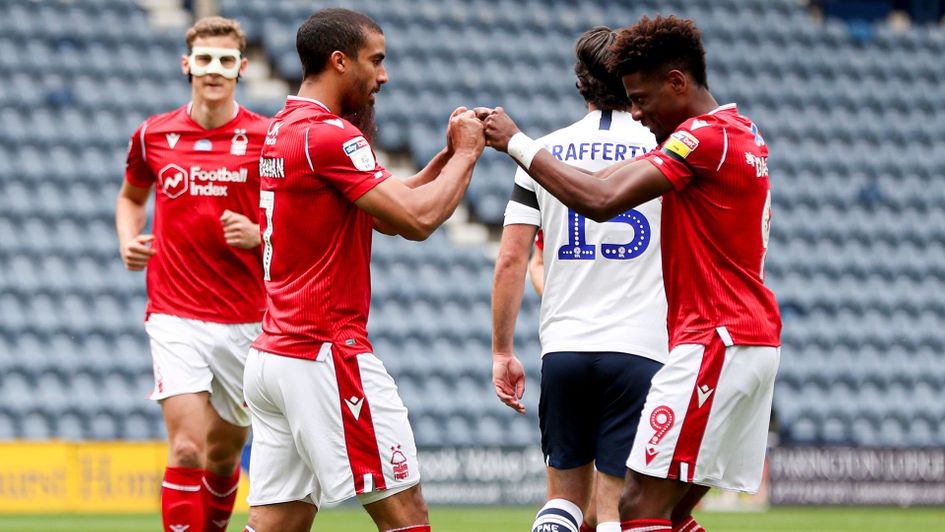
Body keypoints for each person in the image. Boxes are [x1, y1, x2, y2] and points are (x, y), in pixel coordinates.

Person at [480, 15, 782, 532]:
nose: (637, 112)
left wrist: (519, 144)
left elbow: (601, 199)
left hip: (712, 340)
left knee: (635, 506)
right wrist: (547, 166)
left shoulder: (699, 141)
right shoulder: (740, 132)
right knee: (668, 513)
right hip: (741, 340)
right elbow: (605, 179)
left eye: (642, 98)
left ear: (677, 82)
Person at [240, 8, 485, 532]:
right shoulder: (331, 136)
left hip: (274, 357)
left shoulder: (284, 128)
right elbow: (415, 221)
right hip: (325, 352)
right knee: (407, 515)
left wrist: (445, 160)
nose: (383, 76)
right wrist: (468, 155)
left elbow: (389, 210)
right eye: (376, 61)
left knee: (276, 524)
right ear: (339, 61)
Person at [491, 26, 667, 532]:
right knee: (616, 511)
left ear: (581, 83)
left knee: (565, 504)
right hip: (638, 349)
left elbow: (510, 260)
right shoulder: (664, 151)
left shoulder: (540, 152)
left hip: (565, 349)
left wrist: (502, 351)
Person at [116, 16, 267, 532]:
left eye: (226, 61)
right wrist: (128, 239)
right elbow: (131, 198)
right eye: (204, 60)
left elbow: (295, 222)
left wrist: (260, 234)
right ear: (187, 65)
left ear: (242, 69)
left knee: (224, 457)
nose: (214, 71)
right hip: (174, 314)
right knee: (185, 448)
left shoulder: (267, 139)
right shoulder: (153, 135)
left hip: (246, 319)